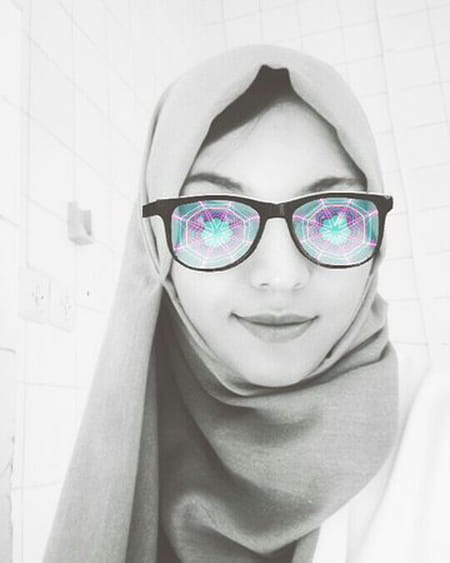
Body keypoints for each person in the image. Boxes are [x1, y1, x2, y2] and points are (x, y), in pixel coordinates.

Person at [43, 44, 450, 563]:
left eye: (332, 219)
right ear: (158, 246)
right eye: (214, 222)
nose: (281, 277)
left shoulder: (435, 433)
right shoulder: (110, 447)